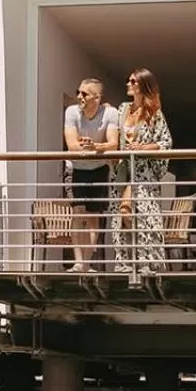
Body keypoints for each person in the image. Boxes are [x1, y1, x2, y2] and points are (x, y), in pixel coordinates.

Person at [113, 68, 174, 273]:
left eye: (133, 81)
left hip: (143, 172)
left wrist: (142, 148)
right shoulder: (122, 109)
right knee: (121, 215)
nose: (129, 84)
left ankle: (146, 262)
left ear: (143, 86)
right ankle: (125, 262)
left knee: (141, 213)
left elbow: (165, 143)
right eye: (128, 80)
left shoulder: (154, 113)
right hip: (123, 171)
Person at [62, 78, 120, 272]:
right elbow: (72, 146)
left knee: (94, 216)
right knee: (78, 214)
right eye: (78, 92)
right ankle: (78, 262)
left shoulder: (111, 113)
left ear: (97, 97)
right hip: (76, 169)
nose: (79, 97)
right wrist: (95, 147)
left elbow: (113, 144)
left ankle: (86, 263)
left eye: (85, 94)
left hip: (99, 168)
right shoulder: (71, 112)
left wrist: (96, 146)